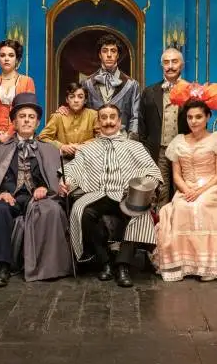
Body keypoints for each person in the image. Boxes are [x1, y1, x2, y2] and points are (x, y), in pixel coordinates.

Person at [0, 92, 73, 287]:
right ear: (14, 121)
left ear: (37, 123)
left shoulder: (49, 150)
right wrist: (1, 192)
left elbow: (55, 179)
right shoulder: (0, 150)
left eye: (31, 117)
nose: (27, 120)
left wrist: (45, 189)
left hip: (37, 199)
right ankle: (1, 266)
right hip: (11, 198)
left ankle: (46, 266)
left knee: (52, 210)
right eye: (22, 116)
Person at [62, 103, 163, 288]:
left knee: (140, 212)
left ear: (119, 121)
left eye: (112, 117)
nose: (108, 121)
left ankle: (123, 265)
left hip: (126, 194)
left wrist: (144, 188)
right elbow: (73, 171)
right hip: (97, 194)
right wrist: (66, 182)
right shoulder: (87, 149)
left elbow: (152, 172)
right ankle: (105, 261)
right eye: (104, 118)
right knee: (82, 211)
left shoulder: (135, 147)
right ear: (98, 122)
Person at [153, 97, 217, 282]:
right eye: (190, 117)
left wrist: (199, 191)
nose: (193, 121)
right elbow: (176, 175)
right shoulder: (178, 141)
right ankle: (184, 264)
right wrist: (187, 189)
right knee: (181, 207)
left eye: (198, 117)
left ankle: (209, 266)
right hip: (187, 187)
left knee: (201, 205)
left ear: (208, 117)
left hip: (213, 185)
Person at [138, 47, 187, 210]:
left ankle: (179, 223)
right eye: (166, 62)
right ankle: (161, 223)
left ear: (182, 65)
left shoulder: (191, 91)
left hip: (183, 150)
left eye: (174, 62)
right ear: (162, 66)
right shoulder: (149, 92)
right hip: (159, 150)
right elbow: (142, 124)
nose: (170, 66)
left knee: (182, 190)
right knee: (161, 191)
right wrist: (145, 149)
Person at [78, 33, 140, 138]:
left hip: (122, 140)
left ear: (118, 55)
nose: (109, 55)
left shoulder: (131, 85)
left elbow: (135, 117)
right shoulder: (87, 83)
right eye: (105, 51)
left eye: (113, 51)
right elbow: (80, 113)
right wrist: (65, 110)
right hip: (94, 140)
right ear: (99, 55)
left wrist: (130, 141)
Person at [0, 39, 35, 153]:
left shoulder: (27, 81)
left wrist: (9, 133)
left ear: (17, 59)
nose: (6, 59)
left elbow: (27, 110)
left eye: (11, 55)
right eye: (2, 55)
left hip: (19, 134)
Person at [38, 82, 97, 159]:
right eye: (72, 97)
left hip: (88, 159)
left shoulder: (93, 115)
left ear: (85, 100)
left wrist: (83, 146)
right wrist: (62, 146)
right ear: (67, 100)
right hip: (63, 160)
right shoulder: (58, 116)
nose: (76, 100)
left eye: (80, 97)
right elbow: (42, 137)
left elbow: (101, 137)